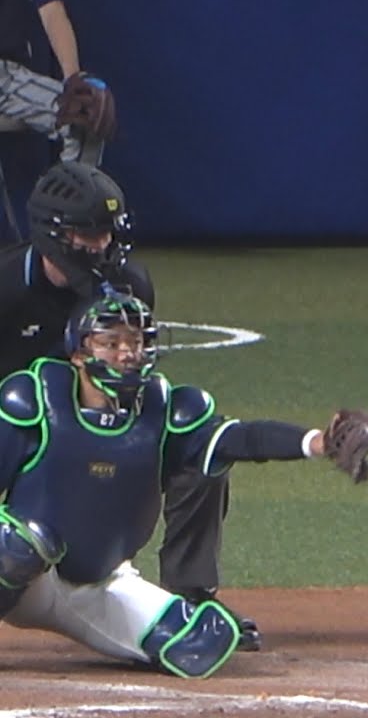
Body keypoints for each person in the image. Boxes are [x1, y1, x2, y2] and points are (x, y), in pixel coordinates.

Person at [0, 290, 368, 678]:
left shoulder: (166, 410)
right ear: (78, 353)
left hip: (97, 582)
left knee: (201, 643)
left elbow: (241, 439)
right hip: (21, 570)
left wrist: (319, 442)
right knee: (20, 545)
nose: (127, 354)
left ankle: (175, 605)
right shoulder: (34, 400)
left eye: (135, 342)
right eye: (111, 343)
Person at [0, 160, 265, 651]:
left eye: (108, 232)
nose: (102, 245)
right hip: (16, 431)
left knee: (198, 450)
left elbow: (130, 379)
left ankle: (191, 593)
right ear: (53, 233)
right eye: (88, 234)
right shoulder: (6, 288)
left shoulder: (129, 287)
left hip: (89, 432)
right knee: (12, 545)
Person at [0, 0, 107, 164]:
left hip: (7, 74)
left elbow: (50, 9)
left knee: (83, 114)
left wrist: (73, 80)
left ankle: (69, 180)